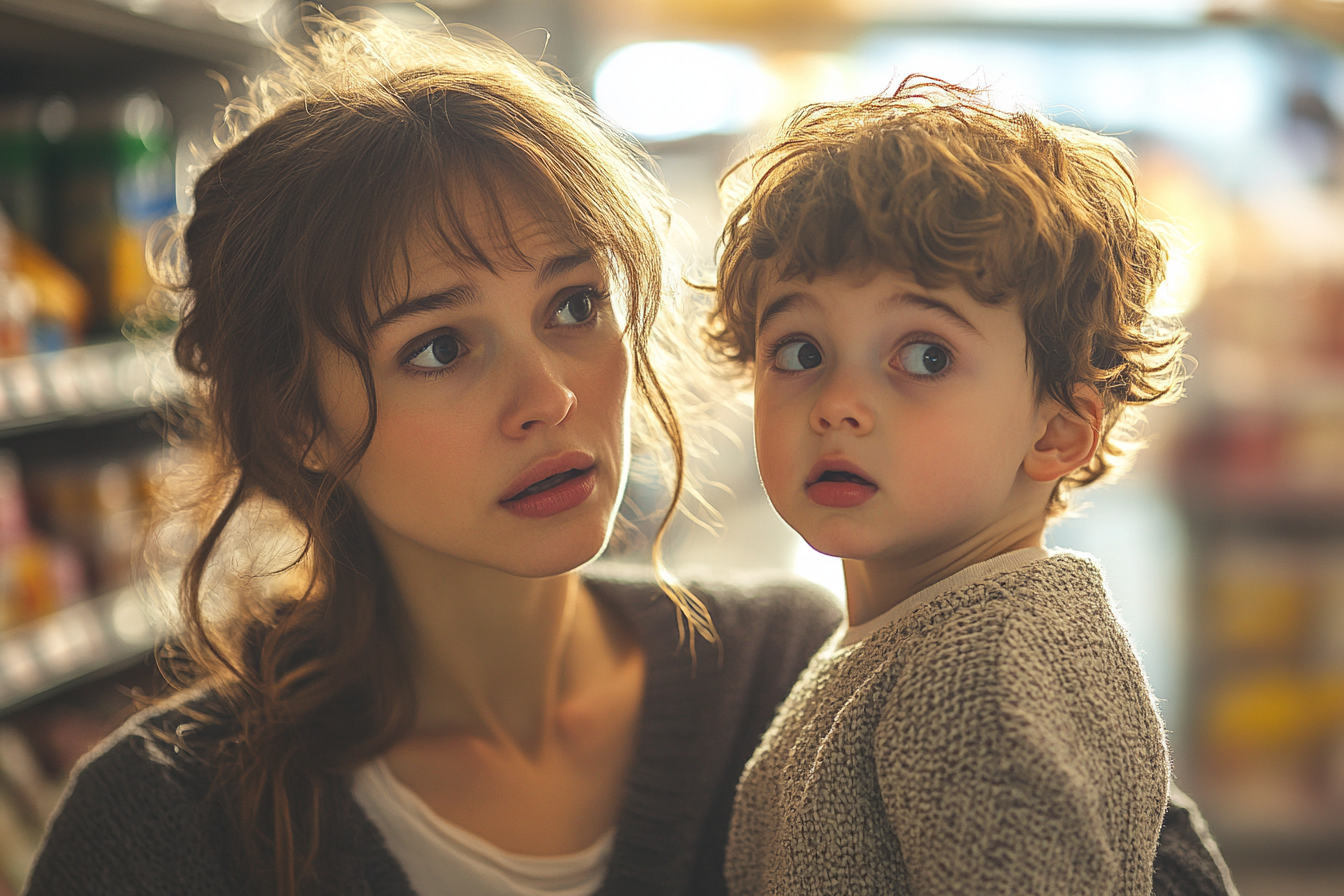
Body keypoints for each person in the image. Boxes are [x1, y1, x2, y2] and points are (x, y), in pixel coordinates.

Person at [23, 13, 840, 896]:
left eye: (573, 305)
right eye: (441, 348)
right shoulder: (164, 821)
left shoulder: (787, 674)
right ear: (300, 417)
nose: (550, 398)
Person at [706, 77, 1238, 895]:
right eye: (801, 350)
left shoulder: (970, 679)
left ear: (1058, 430)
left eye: (924, 356)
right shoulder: (946, 634)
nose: (839, 405)